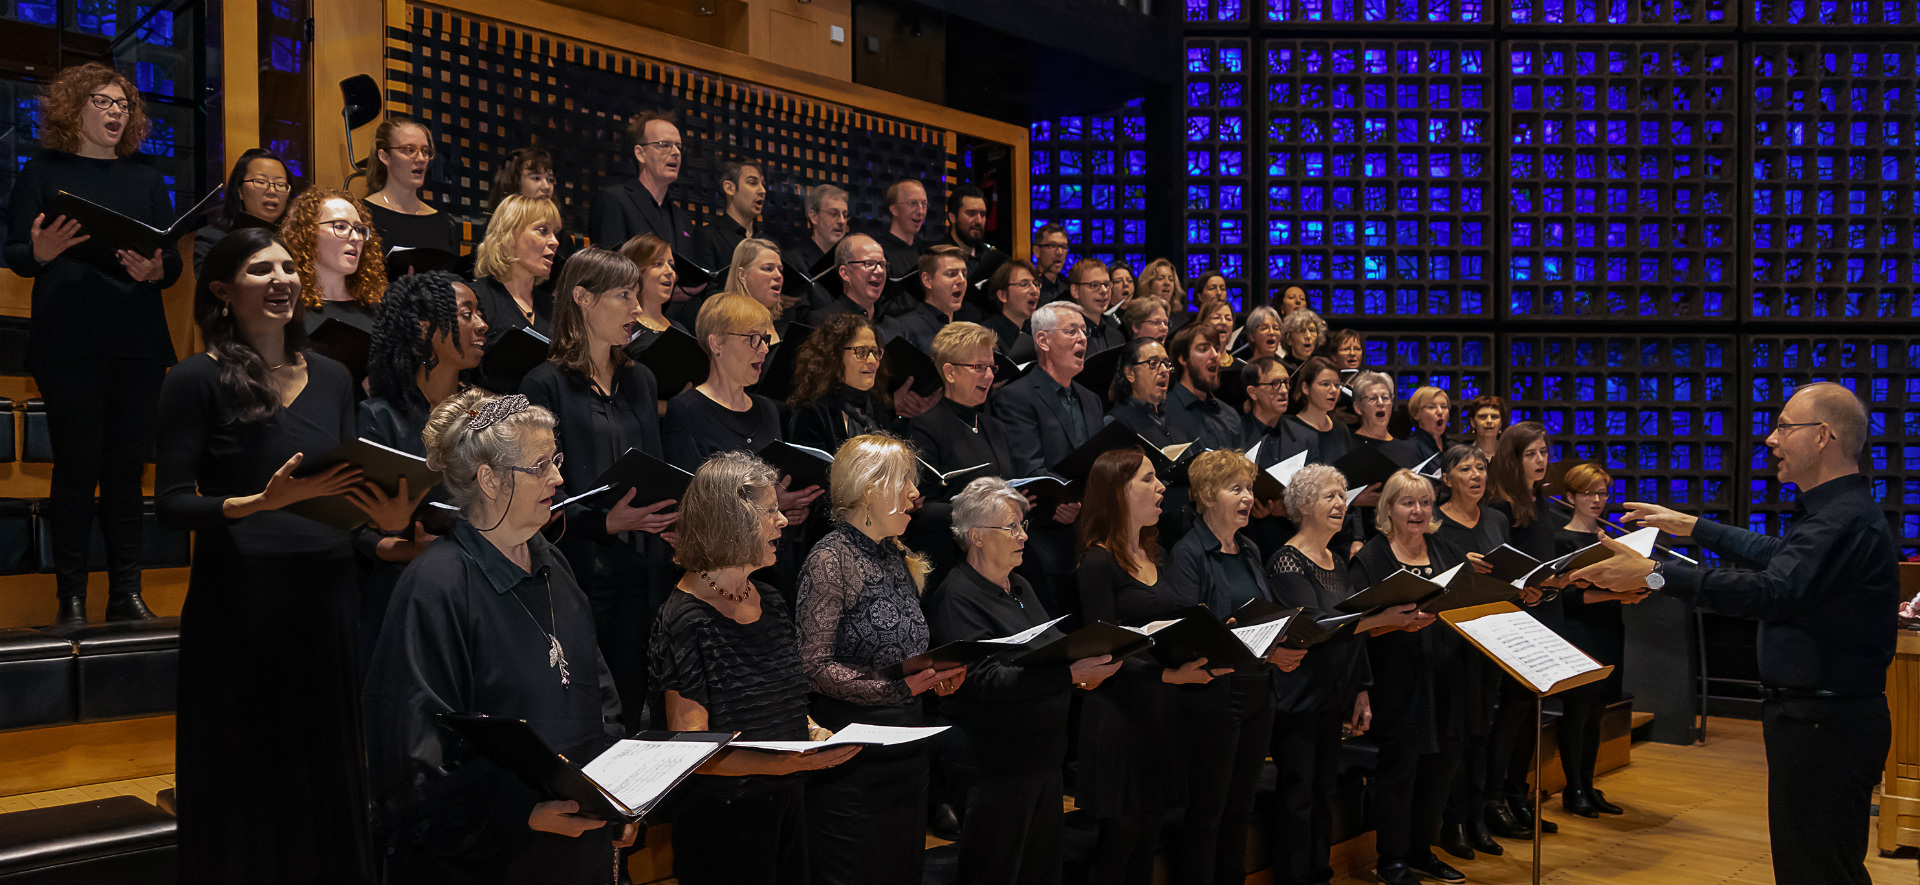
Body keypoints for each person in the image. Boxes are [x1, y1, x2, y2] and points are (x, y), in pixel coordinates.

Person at [160, 228, 416, 883]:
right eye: (259, 269)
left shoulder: (332, 377)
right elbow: (170, 503)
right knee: (245, 772)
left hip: (327, 598)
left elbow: (346, 493)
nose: (281, 279)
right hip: (241, 604)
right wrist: (257, 502)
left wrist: (384, 535)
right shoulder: (195, 379)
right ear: (221, 291)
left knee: (323, 771)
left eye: (286, 266)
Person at [1570, 382, 1899, 885]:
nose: (1770, 439)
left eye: (1784, 427)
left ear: (1823, 436)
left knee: (1817, 868)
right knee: (1813, 862)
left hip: (1827, 722)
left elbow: (1773, 590)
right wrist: (1694, 526)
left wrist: (1654, 575)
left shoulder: (1844, 519)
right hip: (1820, 718)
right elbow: (1778, 557)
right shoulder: (1835, 513)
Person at [362, 390, 634, 883]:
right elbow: (412, 757)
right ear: (489, 479)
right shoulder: (436, 585)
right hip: (493, 859)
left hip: (578, 849)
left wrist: (615, 792)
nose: (558, 478)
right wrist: (521, 812)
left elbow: (599, 695)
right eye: (539, 466)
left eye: (556, 460)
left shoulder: (555, 565)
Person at [6, 63, 183, 623]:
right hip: (69, 340)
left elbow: (172, 261)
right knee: (78, 467)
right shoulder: (43, 171)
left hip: (137, 341)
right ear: (74, 108)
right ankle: (72, 599)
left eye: (124, 105)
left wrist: (155, 270)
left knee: (128, 471)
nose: (116, 112)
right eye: (104, 101)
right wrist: (42, 252)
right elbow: (14, 251)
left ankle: (126, 595)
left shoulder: (148, 179)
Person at [651, 451, 861, 885]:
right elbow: (691, 753)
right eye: (770, 512)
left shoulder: (770, 599)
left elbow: (781, 698)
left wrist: (813, 731)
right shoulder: (685, 618)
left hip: (785, 802)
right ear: (731, 519)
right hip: (724, 820)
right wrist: (786, 764)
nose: (783, 522)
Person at [925, 477, 1122, 885]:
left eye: (1023, 526)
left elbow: (1047, 648)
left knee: (1040, 872)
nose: (1023, 537)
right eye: (1011, 527)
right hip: (995, 765)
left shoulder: (1020, 585)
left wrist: (1088, 656)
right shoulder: (957, 596)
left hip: (1041, 759)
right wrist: (1069, 674)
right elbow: (983, 681)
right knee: (995, 873)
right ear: (976, 536)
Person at [796, 433, 967, 885]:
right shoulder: (830, 559)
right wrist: (897, 688)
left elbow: (902, 653)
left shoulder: (896, 553)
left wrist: (934, 675)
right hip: (855, 757)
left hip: (907, 750)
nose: (916, 494)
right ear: (869, 488)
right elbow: (812, 667)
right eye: (904, 481)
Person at [520, 247, 678, 726]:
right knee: (587, 705)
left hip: (644, 562)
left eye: (637, 295)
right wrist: (604, 522)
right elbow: (539, 485)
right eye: (625, 296)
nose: (637, 308)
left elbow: (654, 467)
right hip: (580, 568)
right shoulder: (545, 383)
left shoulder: (641, 380)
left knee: (636, 702)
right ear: (583, 298)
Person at [1075, 448, 1225, 885]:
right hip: (1118, 716)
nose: (1161, 487)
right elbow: (1104, 652)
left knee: (1147, 840)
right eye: (1147, 479)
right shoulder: (1096, 562)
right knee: (1119, 844)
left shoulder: (1151, 555)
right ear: (1117, 491)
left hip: (1158, 710)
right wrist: (1167, 674)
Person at [1267, 464, 1419, 885]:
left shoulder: (1335, 560)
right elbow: (1316, 626)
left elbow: (1353, 633)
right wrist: (1383, 619)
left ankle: (1319, 874)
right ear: (1303, 506)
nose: (1341, 503)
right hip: (1298, 695)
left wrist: (1362, 690)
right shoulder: (1285, 561)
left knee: (1322, 793)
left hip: (1332, 693)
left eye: (1342, 495)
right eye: (1329, 496)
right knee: (1298, 795)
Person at [1168, 449, 1305, 885]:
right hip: (1214, 697)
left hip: (1256, 693)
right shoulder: (1188, 554)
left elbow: (1260, 617)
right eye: (1236, 489)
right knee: (1209, 810)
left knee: (1241, 807)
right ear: (1207, 496)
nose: (1248, 497)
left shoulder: (1247, 547)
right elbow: (1194, 632)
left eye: (1249, 488)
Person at [356, 270, 488, 650]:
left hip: (479, 585)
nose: (482, 325)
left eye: (479, 313)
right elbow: (360, 533)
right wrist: (410, 548)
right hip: (406, 592)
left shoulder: (490, 411)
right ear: (424, 328)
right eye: (467, 314)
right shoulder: (379, 416)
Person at [1349, 469, 1467, 885]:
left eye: (1425, 503)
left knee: (1440, 766)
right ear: (1388, 509)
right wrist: (1394, 624)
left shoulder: (1446, 552)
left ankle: (1422, 849)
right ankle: (1392, 858)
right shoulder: (1371, 559)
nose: (1418, 511)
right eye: (1407, 503)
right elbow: (1356, 628)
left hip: (1445, 677)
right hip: (1395, 680)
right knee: (1400, 771)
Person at [1427, 444, 1522, 858]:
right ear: (1446, 479)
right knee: (1458, 737)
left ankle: (1477, 816)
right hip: (1451, 638)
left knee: (1483, 732)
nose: (1476, 475)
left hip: (1491, 633)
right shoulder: (1433, 523)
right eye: (1465, 468)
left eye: (1481, 467)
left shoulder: (1498, 519)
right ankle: (1453, 823)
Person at [1546, 463, 1647, 819]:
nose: (1597, 500)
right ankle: (1573, 789)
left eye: (1603, 493)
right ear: (1570, 497)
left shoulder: (1610, 539)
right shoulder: (1561, 539)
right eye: (1589, 493)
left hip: (1608, 628)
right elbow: (1566, 598)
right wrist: (1613, 594)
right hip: (1578, 631)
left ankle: (1588, 783)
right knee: (1578, 711)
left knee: (1598, 710)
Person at [990, 302, 1100, 616]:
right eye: (1072, 331)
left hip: (1092, 538)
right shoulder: (1017, 397)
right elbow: (1029, 468)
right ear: (1043, 341)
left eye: (1084, 331)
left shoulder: (1091, 399)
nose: (1082, 338)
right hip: (1047, 540)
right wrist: (1060, 504)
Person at [1480, 420, 1562, 837]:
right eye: (1532, 454)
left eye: (1544, 452)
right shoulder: (1500, 506)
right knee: (1510, 713)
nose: (1541, 460)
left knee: (1532, 710)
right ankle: (1493, 799)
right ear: (1513, 459)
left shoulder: (1541, 499)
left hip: (1543, 612)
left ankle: (1518, 794)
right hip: (1514, 617)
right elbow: (1497, 568)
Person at [589, 110, 700, 325]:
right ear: (640, 154)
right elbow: (607, 268)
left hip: (676, 324)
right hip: (628, 322)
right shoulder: (614, 200)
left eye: (678, 146)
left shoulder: (682, 218)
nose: (675, 152)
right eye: (664, 145)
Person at [281, 187, 389, 389]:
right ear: (307, 233)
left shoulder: (378, 309)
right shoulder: (287, 310)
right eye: (340, 226)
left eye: (358, 229)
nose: (355, 237)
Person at [786, 313, 885, 454]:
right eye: (861, 352)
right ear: (835, 356)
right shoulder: (810, 414)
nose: (872, 360)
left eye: (875, 352)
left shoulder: (879, 408)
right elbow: (813, 473)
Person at [361, 114, 460, 254]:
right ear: (384, 156)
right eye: (409, 150)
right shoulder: (363, 215)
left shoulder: (444, 224)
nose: (421, 159)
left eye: (425, 151)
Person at [470, 195, 562, 345]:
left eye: (555, 233)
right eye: (543, 230)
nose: (555, 242)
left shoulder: (553, 308)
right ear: (509, 235)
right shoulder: (477, 299)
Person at [196, 147, 293, 274]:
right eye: (260, 182)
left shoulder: (295, 239)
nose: (272, 191)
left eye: (280, 184)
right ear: (240, 191)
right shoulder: (214, 238)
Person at [876, 245, 968, 354]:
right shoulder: (905, 327)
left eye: (964, 274)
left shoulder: (967, 325)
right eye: (952, 274)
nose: (962, 280)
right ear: (927, 280)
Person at [1166, 321, 1243, 451]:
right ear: (1182, 359)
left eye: (1217, 349)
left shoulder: (1229, 415)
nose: (1215, 355)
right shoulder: (1164, 411)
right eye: (1203, 349)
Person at [691, 159, 766, 287]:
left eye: (762, 184)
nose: (762, 190)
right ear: (729, 188)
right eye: (752, 183)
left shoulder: (766, 241)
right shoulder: (708, 237)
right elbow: (707, 293)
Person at [617, 233, 687, 358]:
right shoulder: (622, 329)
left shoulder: (680, 329)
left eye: (671, 264)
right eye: (658, 264)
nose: (670, 272)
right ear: (635, 271)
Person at [1105, 338, 1180, 448]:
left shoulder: (1175, 413)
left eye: (1166, 363)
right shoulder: (1116, 422)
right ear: (1130, 374)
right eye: (1153, 363)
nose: (1164, 370)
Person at [787, 183, 850, 313]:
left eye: (845, 214)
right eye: (834, 214)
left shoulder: (852, 260)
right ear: (814, 216)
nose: (842, 221)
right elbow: (802, 318)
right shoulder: (794, 262)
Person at [1284, 356, 1357, 467]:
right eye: (1325, 384)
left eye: (1336, 385)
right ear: (1306, 388)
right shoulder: (1289, 429)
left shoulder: (1341, 429)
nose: (1333, 390)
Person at [721, 237, 802, 336]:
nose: (778, 276)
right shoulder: (727, 328)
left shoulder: (788, 329)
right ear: (742, 275)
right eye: (768, 268)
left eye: (780, 270)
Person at [803, 233, 885, 325]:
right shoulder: (822, 322)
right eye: (869, 264)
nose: (880, 271)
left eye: (882, 265)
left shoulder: (896, 326)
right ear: (845, 273)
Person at [1067, 258, 1125, 355]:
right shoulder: (1067, 335)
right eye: (1094, 285)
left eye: (1106, 284)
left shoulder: (1117, 336)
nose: (1104, 290)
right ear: (1075, 291)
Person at [984, 258, 1041, 355]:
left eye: (1036, 284)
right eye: (1024, 284)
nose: (1034, 290)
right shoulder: (985, 336)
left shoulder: (1035, 332)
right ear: (1003, 295)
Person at [877, 179, 928, 282]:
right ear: (894, 209)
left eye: (924, 204)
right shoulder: (880, 251)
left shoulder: (924, 252)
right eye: (913, 203)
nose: (920, 211)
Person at [1408, 386, 1452, 462]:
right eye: (1431, 407)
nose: (1440, 411)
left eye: (1444, 407)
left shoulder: (1454, 447)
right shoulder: (1409, 449)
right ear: (1416, 414)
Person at [1278, 308, 1326, 375]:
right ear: (1289, 339)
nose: (1308, 336)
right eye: (1302, 331)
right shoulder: (1280, 369)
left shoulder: (1323, 366)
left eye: (1312, 330)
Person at [1031, 223, 1070, 303]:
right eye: (1052, 246)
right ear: (1037, 251)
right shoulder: (1028, 289)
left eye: (1063, 247)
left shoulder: (1067, 290)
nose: (1059, 252)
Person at [1464, 394, 1505, 459]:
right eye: (1483, 417)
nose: (1489, 421)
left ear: (1501, 423)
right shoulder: (1463, 456)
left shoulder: (1511, 455)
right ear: (1473, 423)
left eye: (1494, 417)